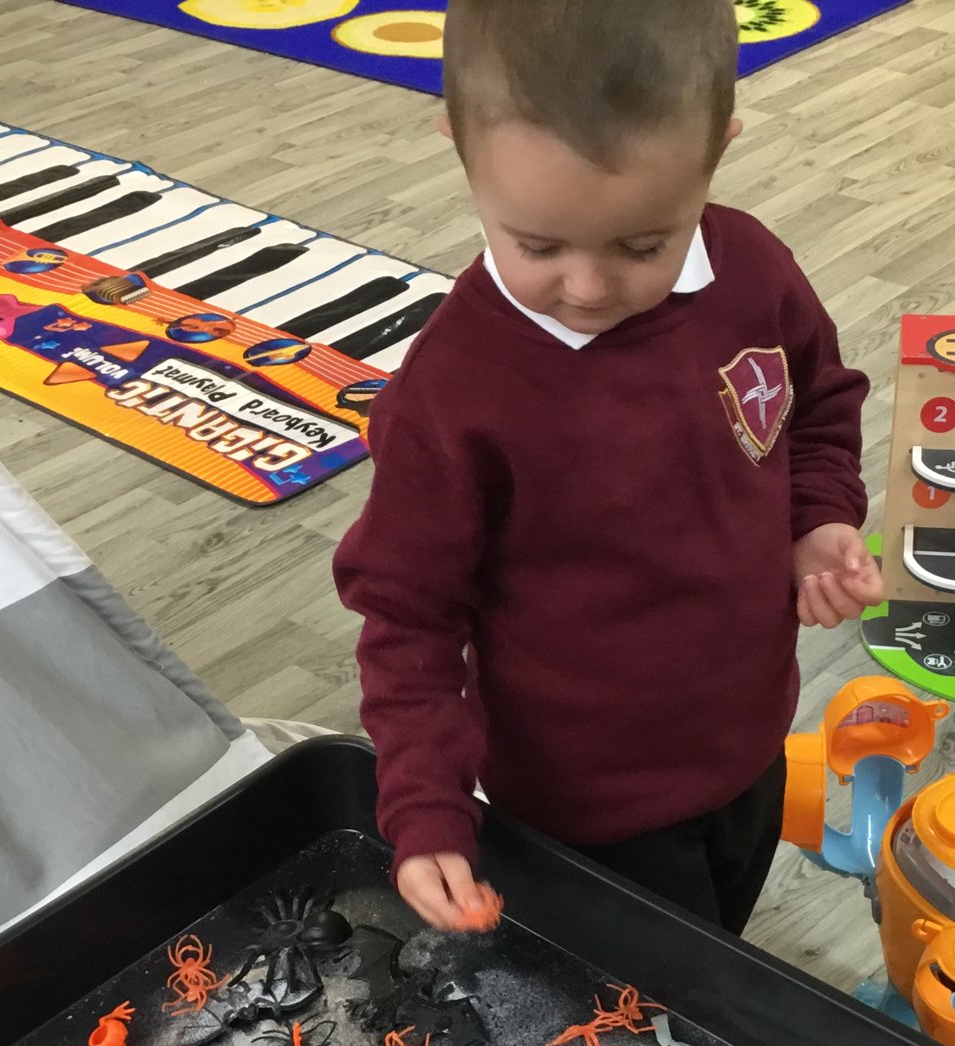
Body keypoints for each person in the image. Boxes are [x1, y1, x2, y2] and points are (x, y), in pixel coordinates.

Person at [333, 0, 882, 937]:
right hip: (582, 812)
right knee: (640, 1019)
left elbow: (817, 408)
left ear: (717, 153)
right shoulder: (455, 391)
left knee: (720, 952)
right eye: (537, 245)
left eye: (642, 245)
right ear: (459, 155)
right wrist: (425, 807)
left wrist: (817, 521)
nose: (588, 289)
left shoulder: (753, 270)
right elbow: (408, 616)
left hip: (750, 742)